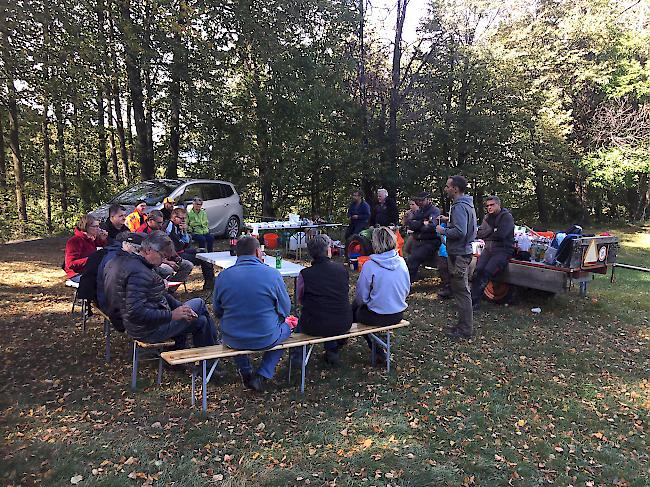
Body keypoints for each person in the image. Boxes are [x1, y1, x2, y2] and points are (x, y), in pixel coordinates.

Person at [103, 231, 218, 350]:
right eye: (162, 256)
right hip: (147, 329)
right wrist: (171, 315)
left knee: (201, 321)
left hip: (143, 325)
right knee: (199, 303)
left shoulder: (131, 263)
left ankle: (203, 361)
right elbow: (135, 312)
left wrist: (180, 308)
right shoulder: (139, 272)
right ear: (148, 250)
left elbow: (157, 295)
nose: (163, 260)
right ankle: (212, 355)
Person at [212, 236, 292, 392]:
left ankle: (245, 371)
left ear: (237, 254)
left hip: (232, 337)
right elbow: (285, 309)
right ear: (257, 252)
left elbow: (217, 310)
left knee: (234, 328)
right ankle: (263, 374)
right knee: (288, 328)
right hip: (266, 336)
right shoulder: (272, 274)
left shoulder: (223, 276)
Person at [294, 234, 352, 366]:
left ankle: (297, 356)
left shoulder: (305, 274)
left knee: (305, 320)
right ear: (328, 250)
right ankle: (332, 351)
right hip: (343, 322)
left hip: (315, 324)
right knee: (326, 312)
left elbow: (299, 299)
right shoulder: (341, 270)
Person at [353, 227, 410, 362]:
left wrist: (369, 302)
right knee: (356, 307)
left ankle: (376, 347)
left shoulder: (370, 265)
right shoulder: (401, 262)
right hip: (397, 313)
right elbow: (407, 289)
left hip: (377, 314)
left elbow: (361, 296)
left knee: (354, 310)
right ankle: (377, 345)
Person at [436, 175, 477, 340]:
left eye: (448, 186)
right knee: (460, 291)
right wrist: (450, 220)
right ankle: (462, 326)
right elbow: (463, 225)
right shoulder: (465, 204)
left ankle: (465, 330)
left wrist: (443, 230)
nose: (446, 189)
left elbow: (461, 232)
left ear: (456, 188)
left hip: (460, 254)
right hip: (461, 252)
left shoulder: (459, 206)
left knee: (462, 292)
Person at [471, 195, 515, 310]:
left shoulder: (506, 217)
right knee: (477, 271)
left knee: (486, 272)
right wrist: (492, 230)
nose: (489, 207)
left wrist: (488, 233)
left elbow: (502, 234)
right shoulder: (487, 217)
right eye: (487, 206)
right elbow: (479, 233)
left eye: (492, 205)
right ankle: (472, 300)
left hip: (503, 249)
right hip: (488, 248)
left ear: (498, 205)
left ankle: (474, 301)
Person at [165, 207, 215, 290]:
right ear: (174, 217)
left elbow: (186, 243)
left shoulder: (178, 226)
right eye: (182, 218)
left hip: (182, 250)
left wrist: (184, 231)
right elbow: (176, 243)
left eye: (185, 218)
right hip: (175, 254)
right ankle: (171, 289)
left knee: (203, 252)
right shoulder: (169, 227)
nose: (183, 221)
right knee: (203, 259)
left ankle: (210, 282)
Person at [405, 192, 441, 282]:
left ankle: (407, 284)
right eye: (418, 200)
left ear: (428, 200)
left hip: (430, 241)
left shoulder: (434, 211)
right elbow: (410, 224)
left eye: (422, 200)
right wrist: (422, 223)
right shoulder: (419, 211)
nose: (420, 202)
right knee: (407, 256)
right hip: (418, 240)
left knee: (413, 259)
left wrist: (418, 225)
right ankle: (407, 281)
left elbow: (431, 227)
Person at [64, 214, 108, 281]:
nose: (98, 229)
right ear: (87, 227)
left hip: (90, 270)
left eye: (98, 226)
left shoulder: (92, 238)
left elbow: (101, 246)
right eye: (95, 226)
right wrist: (90, 259)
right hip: (77, 273)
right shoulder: (75, 241)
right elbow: (70, 264)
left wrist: (103, 239)